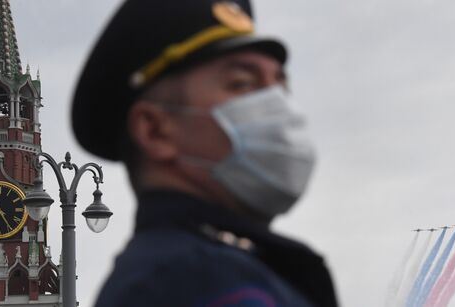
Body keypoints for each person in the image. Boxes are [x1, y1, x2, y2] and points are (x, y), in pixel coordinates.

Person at [71, 0, 339, 306]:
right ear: (154, 130)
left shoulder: (226, 265)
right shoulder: (188, 282)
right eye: (243, 83)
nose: (278, 105)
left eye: (280, 85)